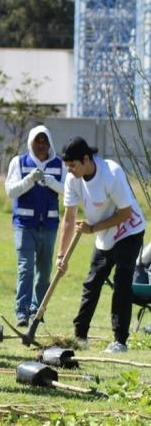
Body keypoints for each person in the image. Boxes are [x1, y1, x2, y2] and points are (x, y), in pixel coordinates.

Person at [57, 137, 146, 353]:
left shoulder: (111, 174)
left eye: (73, 166)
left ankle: (120, 341)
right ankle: (80, 335)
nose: (69, 171)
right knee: (92, 282)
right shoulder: (73, 180)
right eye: (67, 166)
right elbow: (69, 218)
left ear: (86, 159)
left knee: (121, 283)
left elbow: (125, 213)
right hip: (104, 234)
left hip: (129, 230)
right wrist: (61, 256)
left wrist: (93, 229)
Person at [4, 126, 64, 327]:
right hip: (24, 225)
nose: (41, 145)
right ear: (31, 142)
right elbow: (11, 191)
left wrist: (48, 181)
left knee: (45, 271)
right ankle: (21, 311)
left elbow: (66, 189)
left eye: (45, 141)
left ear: (50, 143)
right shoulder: (19, 162)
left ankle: (38, 311)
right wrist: (30, 179)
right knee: (25, 269)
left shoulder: (58, 163)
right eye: (38, 141)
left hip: (49, 225)